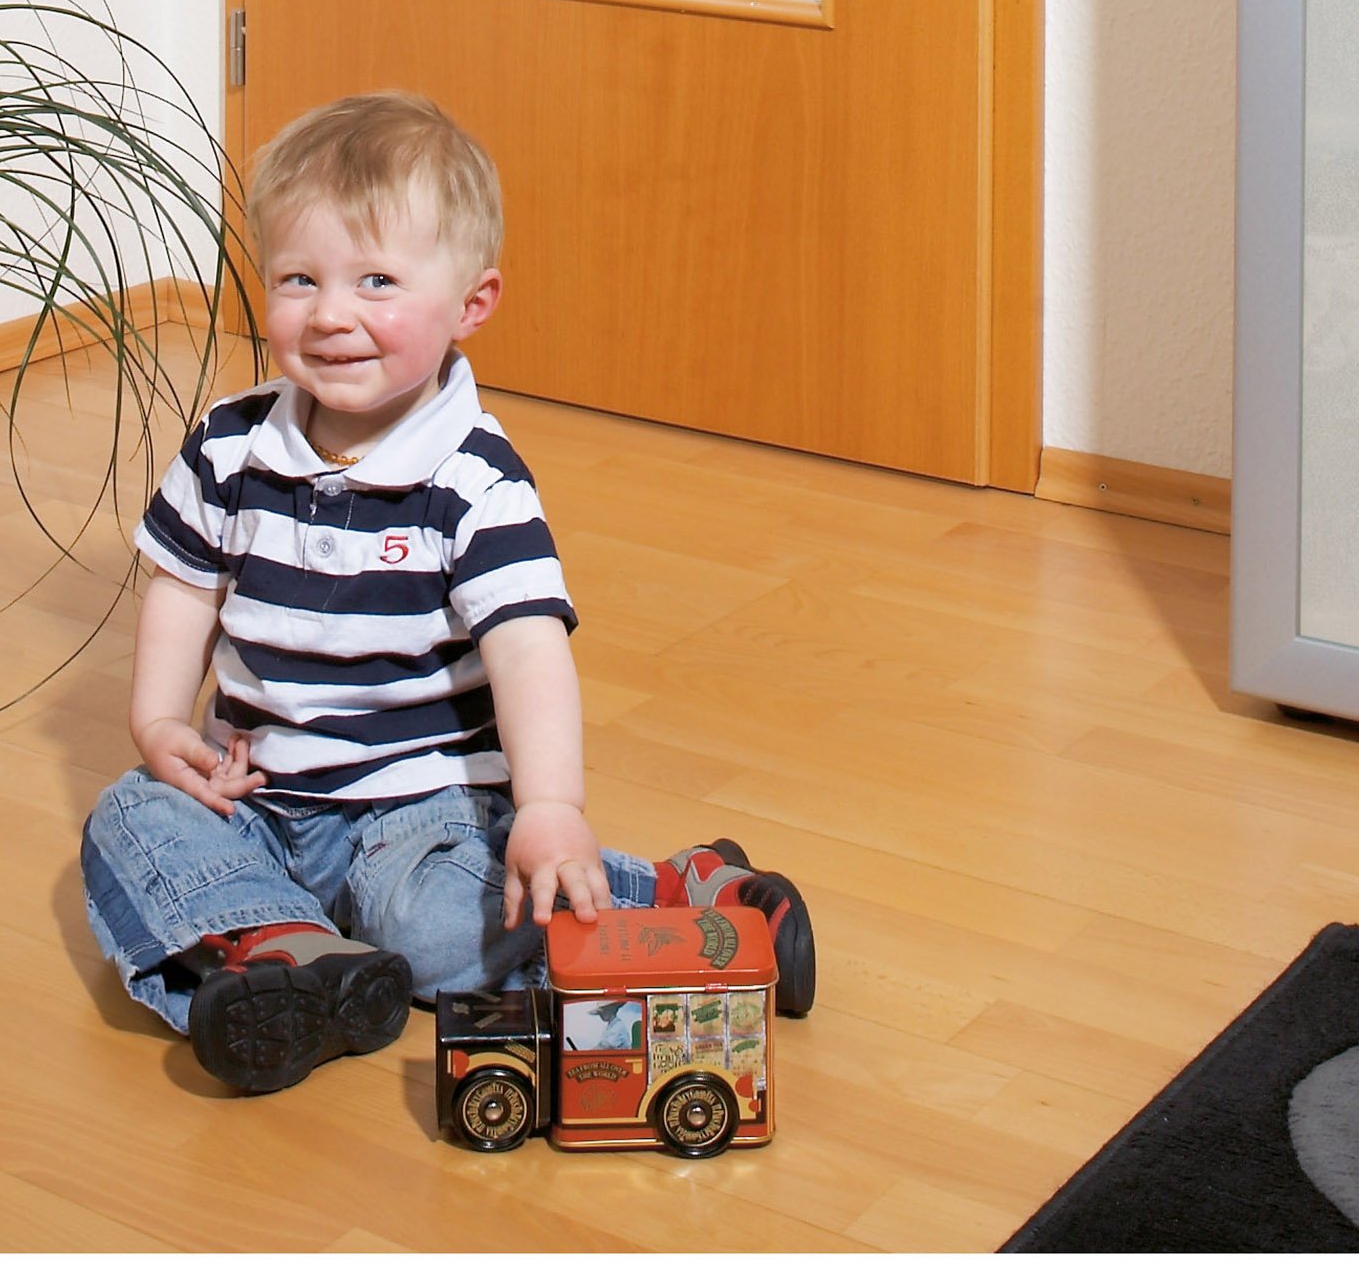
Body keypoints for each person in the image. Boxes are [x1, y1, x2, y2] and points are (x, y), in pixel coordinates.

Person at [79, 90, 813, 1095]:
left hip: (417, 815)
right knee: (128, 818)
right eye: (299, 279)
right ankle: (289, 951)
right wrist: (160, 722)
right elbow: (184, 587)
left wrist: (550, 805)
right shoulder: (229, 442)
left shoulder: (472, 478)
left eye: (376, 281)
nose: (329, 313)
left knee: (437, 922)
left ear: (472, 304)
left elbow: (528, 648)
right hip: (256, 796)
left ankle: (677, 899)